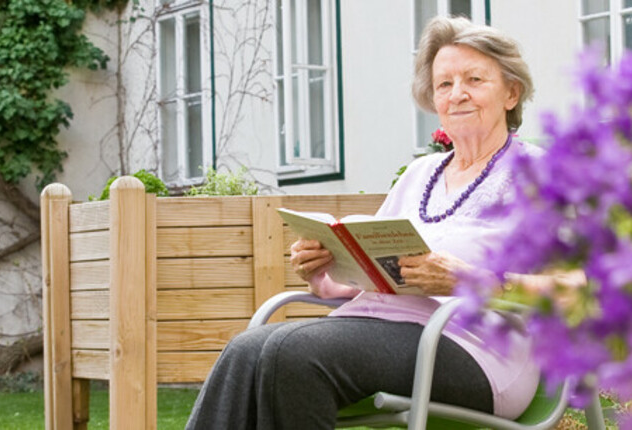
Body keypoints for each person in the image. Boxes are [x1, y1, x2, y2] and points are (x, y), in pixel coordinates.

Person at [186, 16, 544, 429]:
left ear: (511, 93)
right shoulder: (419, 174)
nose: (457, 94)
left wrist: (466, 279)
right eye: (444, 84)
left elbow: (582, 290)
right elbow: (378, 271)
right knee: (246, 350)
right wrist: (325, 265)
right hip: (381, 326)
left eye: (474, 80)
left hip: (475, 348)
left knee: (292, 353)